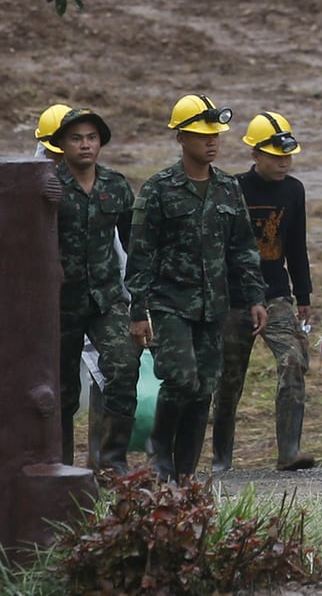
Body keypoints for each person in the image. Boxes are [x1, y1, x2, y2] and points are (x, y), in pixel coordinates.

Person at [126, 94, 268, 482]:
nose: (212, 142)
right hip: (170, 304)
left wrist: (255, 297)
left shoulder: (227, 188)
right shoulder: (159, 189)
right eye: (201, 134)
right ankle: (161, 456)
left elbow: (242, 247)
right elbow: (140, 254)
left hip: (213, 306)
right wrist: (138, 312)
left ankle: (184, 474)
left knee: (204, 388)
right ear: (180, 139)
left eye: (216, 135)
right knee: (180, 379)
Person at [212, 112, 315, 473]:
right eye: (274, 156)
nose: (283, 163)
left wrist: (303, 295)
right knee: (228, 379)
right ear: (255, 155)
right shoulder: (231, 188)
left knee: (293, 363)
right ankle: (221, 458)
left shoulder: (294, 190)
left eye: (287, 156)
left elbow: (297, 246)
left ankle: (289, 450)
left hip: (277, 295)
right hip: (234, 299)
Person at [50, 108, 140, 474]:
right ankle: (59, 467)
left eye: (91, 138)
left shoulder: (115, 186)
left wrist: (140, 301)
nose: (85, 145)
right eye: (76, 138)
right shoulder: (49, 187)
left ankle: (111, 462)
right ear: (61, 144)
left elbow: (135, 244)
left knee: (124, 365)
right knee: (60, 390)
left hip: (107, 298)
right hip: (60, 303)